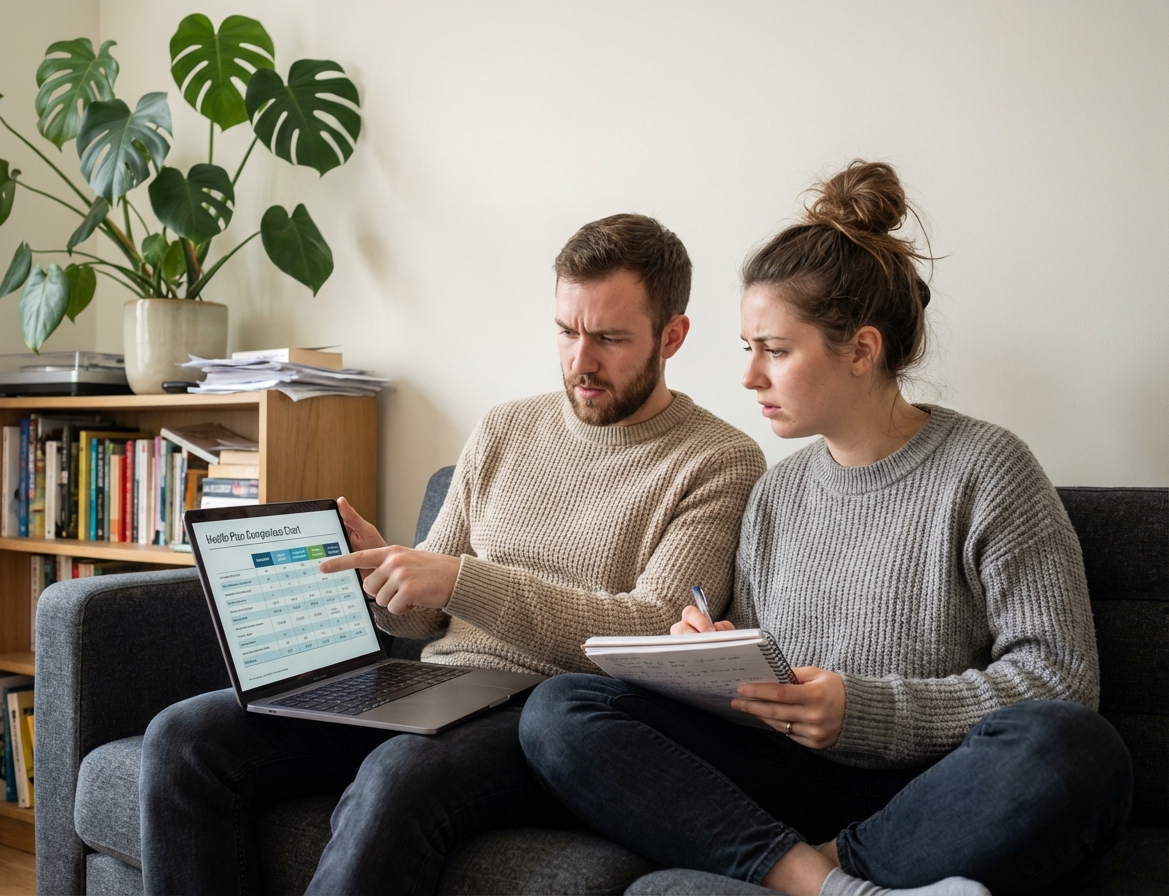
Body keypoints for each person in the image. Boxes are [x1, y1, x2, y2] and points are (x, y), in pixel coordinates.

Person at [520, 162, 1133, 896]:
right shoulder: (776, 492)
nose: (750, 377)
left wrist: (861, 711)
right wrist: (708, 666)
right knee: (561, 710)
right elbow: (762, 682)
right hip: (786, 782)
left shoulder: (989, 470)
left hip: (936, 791)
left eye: (774, 351)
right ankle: (820, 882)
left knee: (1074, 747)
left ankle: (821, 869)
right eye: (748, 348)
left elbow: (1060, 680)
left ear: (862, 351)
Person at [139, 213, 766, 895]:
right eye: (566, 331)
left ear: (672, 336)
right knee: (185, 737)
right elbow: (420, 623)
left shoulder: (718, 460)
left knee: (398, 774)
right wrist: (388, 576)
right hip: (433, 687)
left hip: (553, 718)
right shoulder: (505, 427)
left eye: (610, 338)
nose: (580, 362)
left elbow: (652, 633)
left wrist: (461, 581)